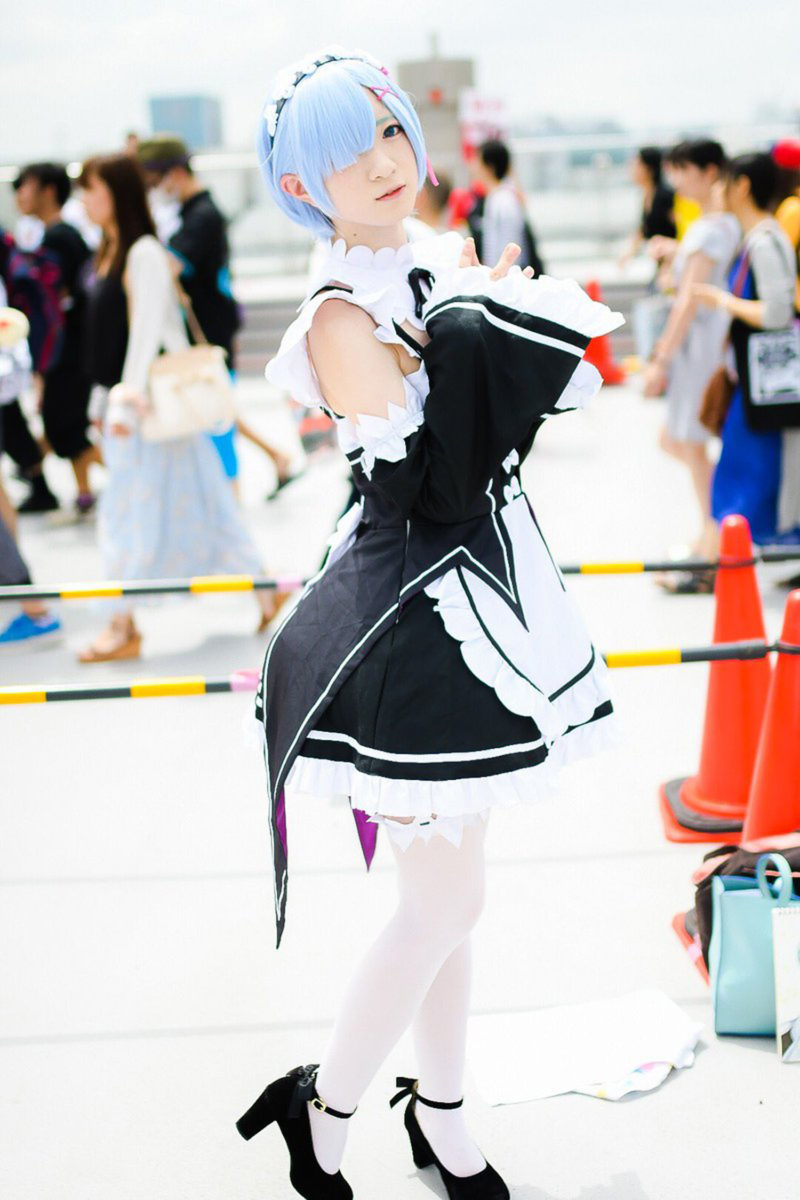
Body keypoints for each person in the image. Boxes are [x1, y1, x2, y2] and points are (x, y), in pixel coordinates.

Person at [237, 48, 622, 1200]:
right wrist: (475, 337)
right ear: (300, 187)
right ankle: (324, 1107)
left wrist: (494, 329)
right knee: (446, 900)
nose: (382, 163)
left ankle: (441, 1116)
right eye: (345, 154)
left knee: (447, 901)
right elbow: (433, 483)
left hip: (485, 593)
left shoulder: (436, 259)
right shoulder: (336, 317)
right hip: (409, 617)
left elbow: (531, 408)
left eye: (391, 132)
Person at [76, 153, 285, 663]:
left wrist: (125, 400)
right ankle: (264, 588)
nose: (84, 199)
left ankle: (123, 624)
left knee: (127, 516)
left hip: (144, 410)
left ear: (117, 193)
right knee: (203, 503)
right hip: (135, 408)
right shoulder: (110, 249)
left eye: (92, 188)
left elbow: (149, 329)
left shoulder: (142, 251)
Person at [137, 135, 295, 493]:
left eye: (153, 181)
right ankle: (274, 458)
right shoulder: (191, 213)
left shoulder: (202, 216)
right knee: (215, 407)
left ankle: (232, 494)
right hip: (210, 326)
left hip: (210, 330)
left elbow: (168, 269)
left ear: (175, 173)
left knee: (217, 415)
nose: (153, 190)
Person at [641, 140, 739, 586]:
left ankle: (714, 545)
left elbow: (688, 301)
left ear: (709, 171)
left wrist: (661, 357)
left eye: (683, 170)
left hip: (698, 348)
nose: (677, 180)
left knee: (690, 444)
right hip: (706, 344)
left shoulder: (711, 228)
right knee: (682, 441)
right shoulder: (719, 225)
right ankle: (714, 535)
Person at [693, 152, 797, 549]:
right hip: (758, 385)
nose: (718, 190)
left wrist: (721, 301)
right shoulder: (758, 239)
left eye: (725, 181)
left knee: (741, 479)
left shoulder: (765, 242)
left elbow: (776, 313)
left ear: (743, 186)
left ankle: (718, 562)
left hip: (765, 389)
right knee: (742, 478)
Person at [13, 162, 101, 514]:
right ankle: (84, 492)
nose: (19, 195)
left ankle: (134, 480)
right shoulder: (61, 235)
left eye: (26, 186)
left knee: (64, 426)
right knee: (67, 426)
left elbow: (58, 298)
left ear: (49, 190)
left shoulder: (59, 238)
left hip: (69, 349)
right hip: (70, 348)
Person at [469, 138, 544, 275]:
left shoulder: (503, 201)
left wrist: (497, 276)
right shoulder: (498, 197)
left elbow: (510, 247)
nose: (473, 167)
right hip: (500, 275)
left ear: (489, 167)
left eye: (477, 162)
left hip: (503, 276)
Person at [620, 146, 676, 268]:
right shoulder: (647, 195)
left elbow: (681, 227)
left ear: (649, 169)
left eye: (636, 165)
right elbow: (643, 230)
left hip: (673, 263)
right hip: (662, 263)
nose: (631, 170)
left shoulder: (665, 196)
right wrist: (628, 254)